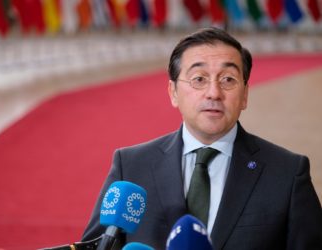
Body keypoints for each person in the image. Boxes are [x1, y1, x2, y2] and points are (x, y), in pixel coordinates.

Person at [82, 27, 322, 249]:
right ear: (173, 92)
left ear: (245, 94)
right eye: (199, 79)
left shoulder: (287, 173)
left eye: (228, 79)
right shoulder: (132, 167)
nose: (214, 92)